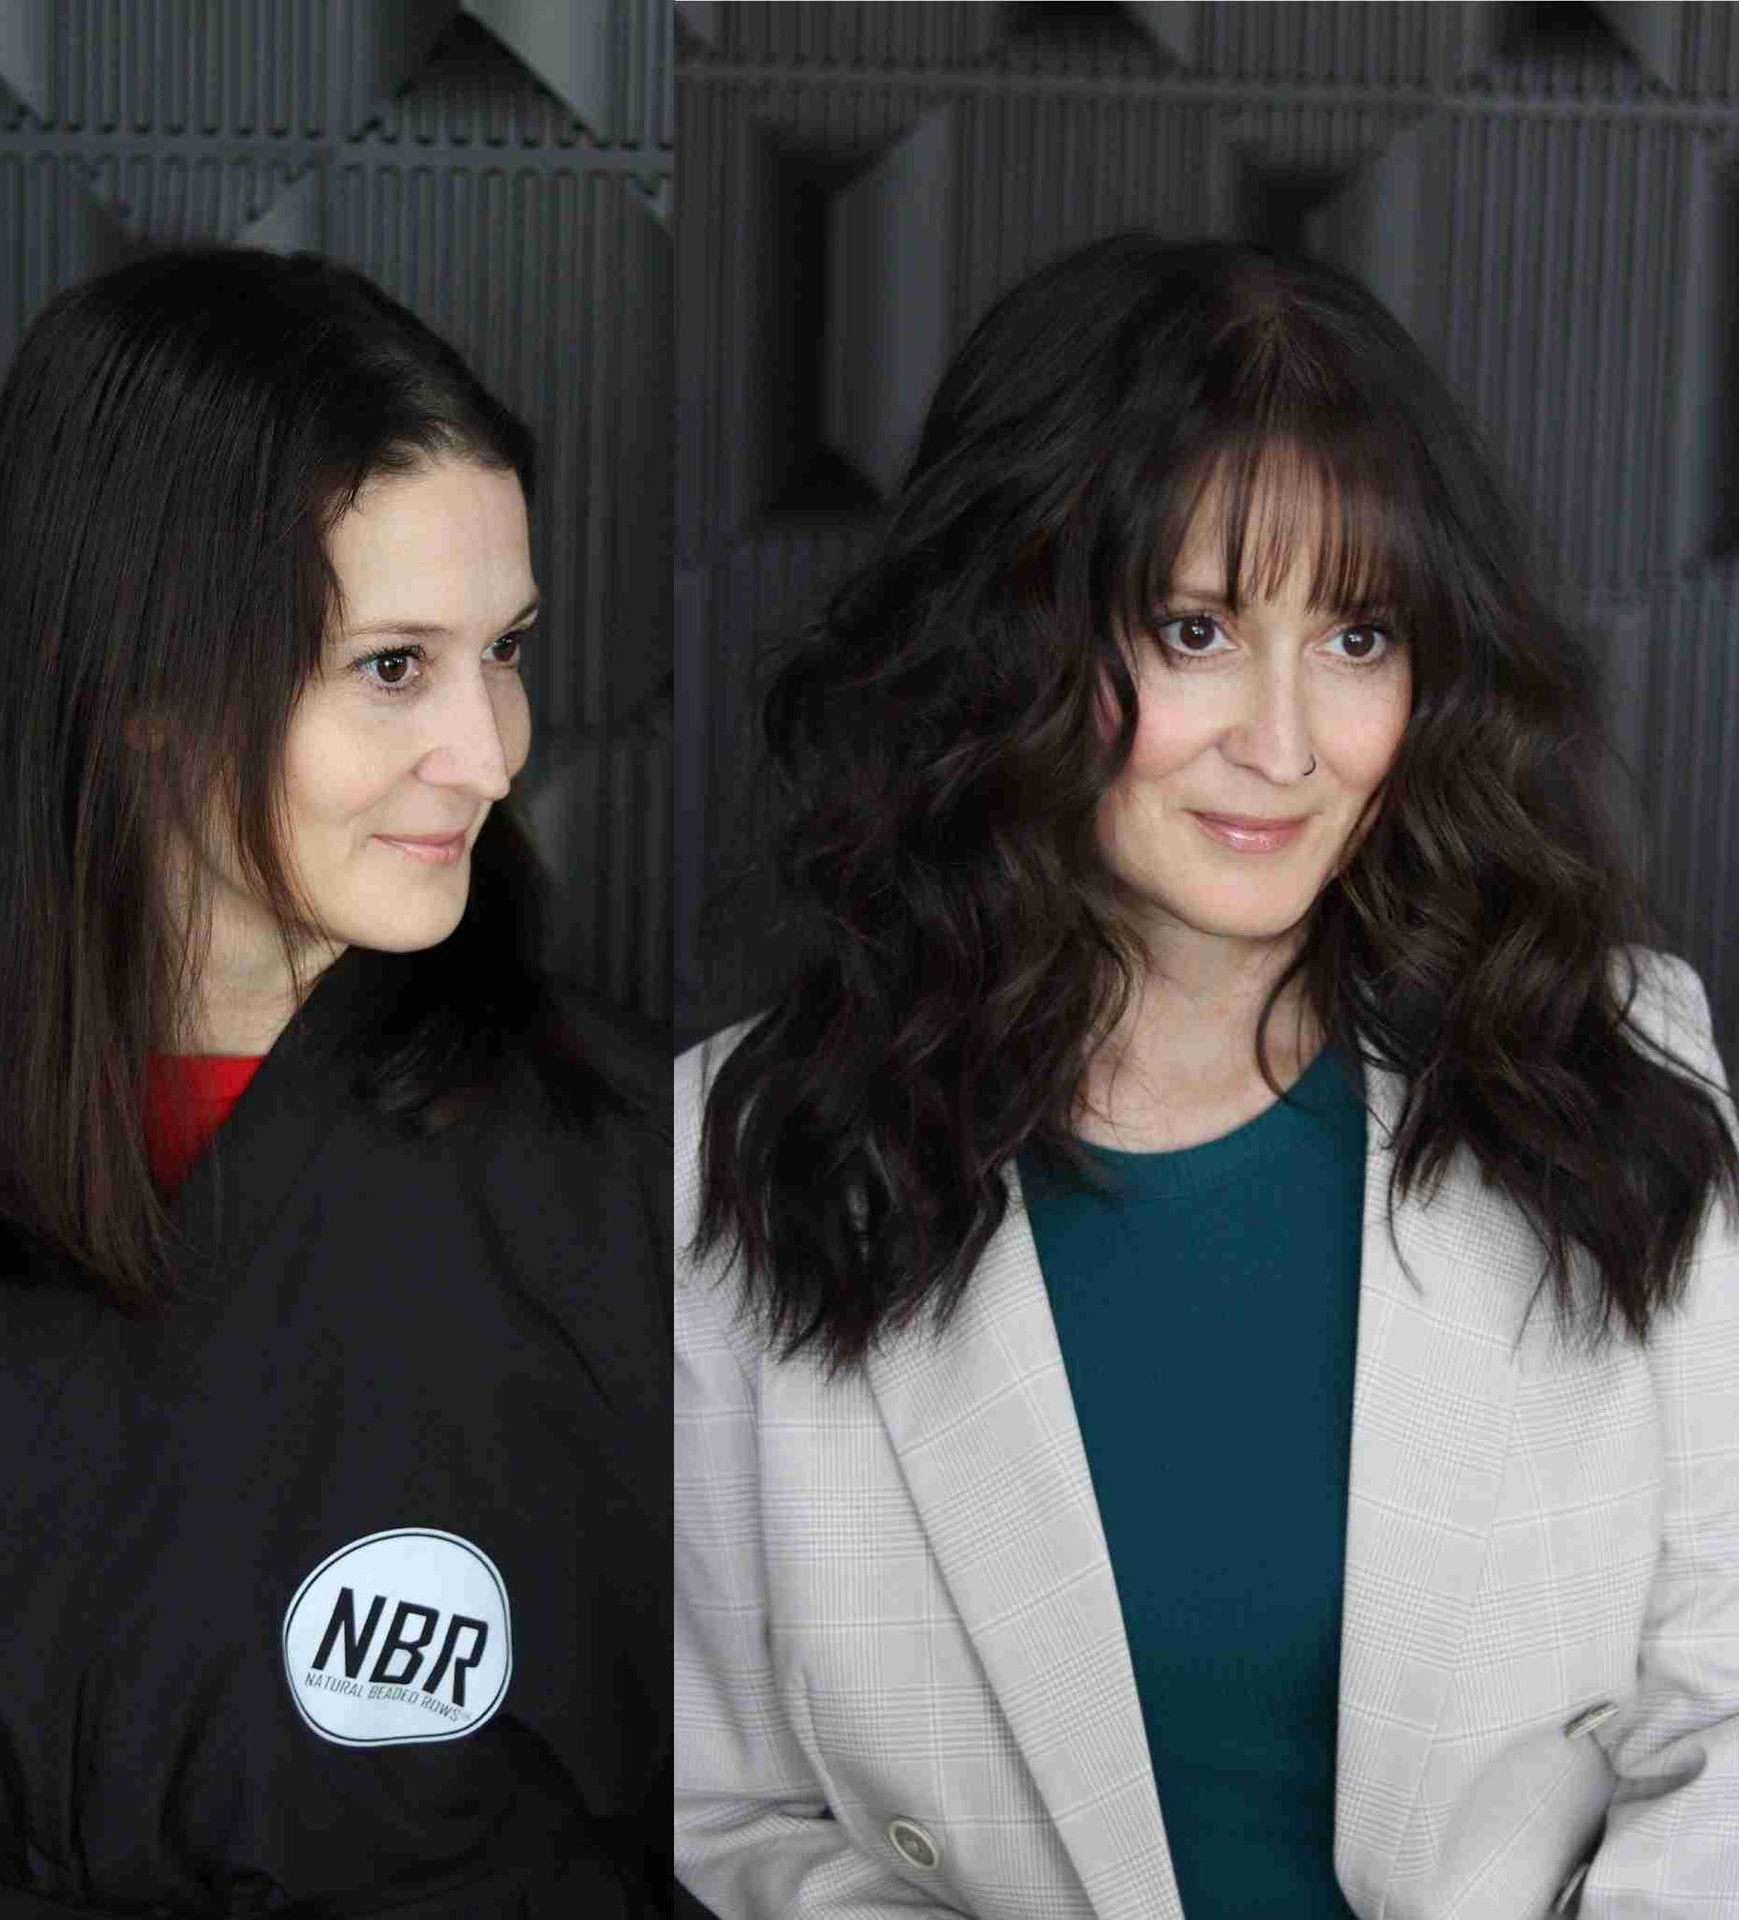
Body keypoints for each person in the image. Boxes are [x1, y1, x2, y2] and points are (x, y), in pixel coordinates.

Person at [673, 233, 1739, 1919]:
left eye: (1360, 640)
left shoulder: (1616, 1064)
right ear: (1007, 643)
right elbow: (726, 1808)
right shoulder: (739, 1150)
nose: (1287, 741)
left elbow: (1731, 1712)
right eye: (1195, 629)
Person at [0, 246, 670, 1916]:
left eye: (504, 649)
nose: (494, 754)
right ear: (140, 681)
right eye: (391, 668)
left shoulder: (641, 1185)